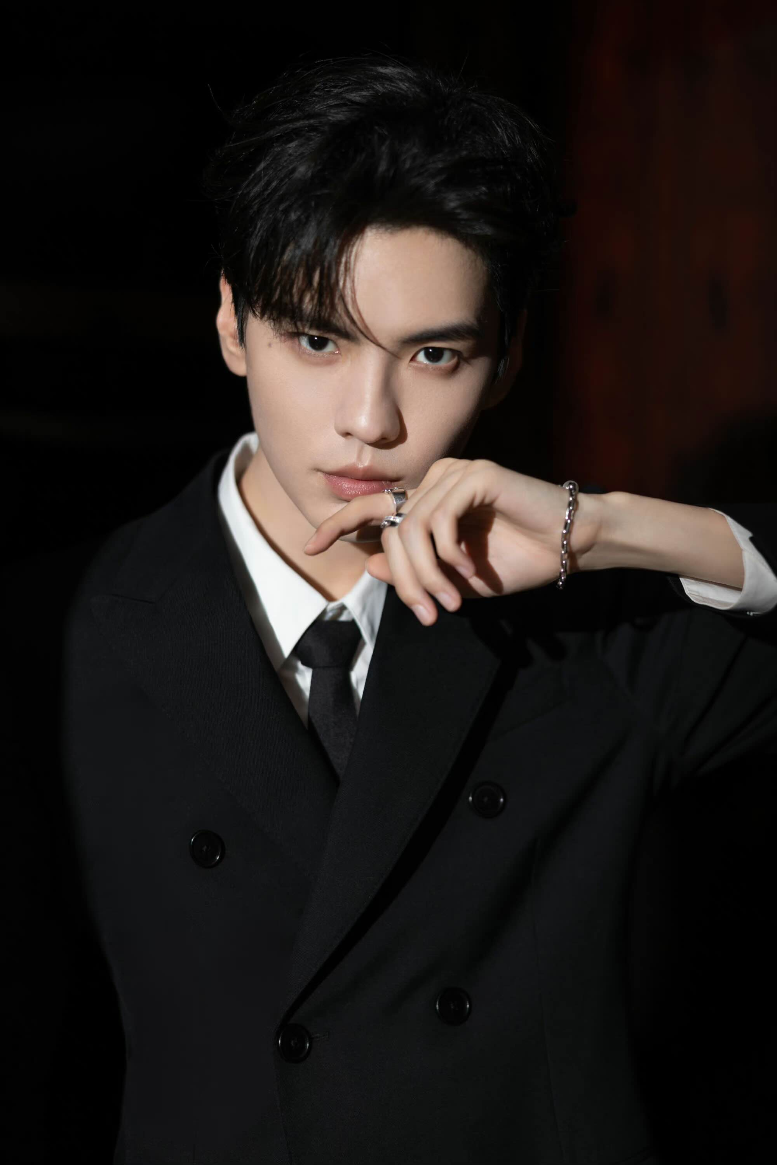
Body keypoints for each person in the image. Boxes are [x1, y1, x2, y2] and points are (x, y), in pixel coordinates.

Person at [3, 54, 776, 1165]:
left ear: (504, 360)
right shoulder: (57, 639)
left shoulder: (596, 628)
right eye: (317, 339)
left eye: (434, 353)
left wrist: (605, 527)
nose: (370, 420)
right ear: (231, 324)